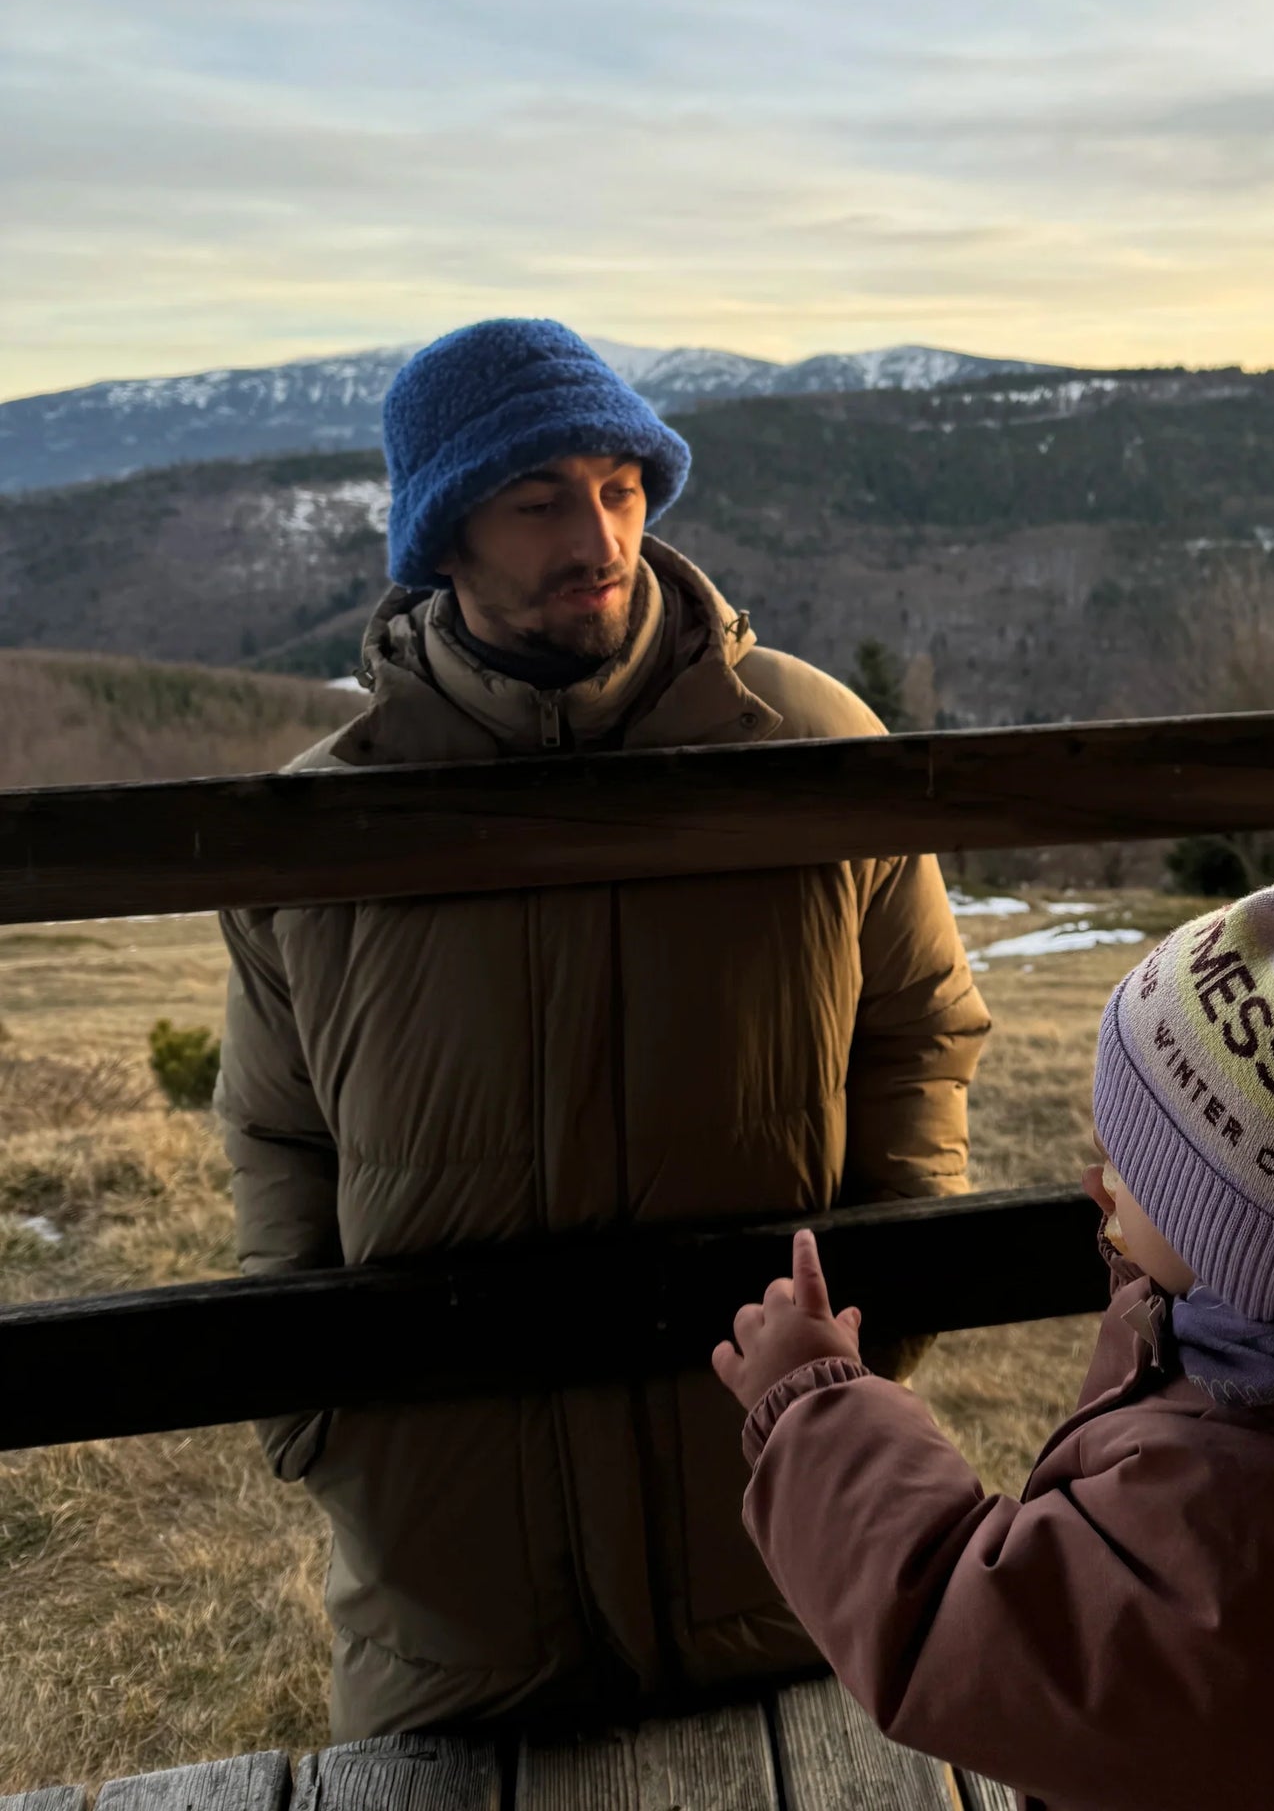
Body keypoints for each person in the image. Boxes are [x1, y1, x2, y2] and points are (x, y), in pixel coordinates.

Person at [216, 316, 990, 1741]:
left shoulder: (809, 752)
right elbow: (278, 1131)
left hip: (778, 1547)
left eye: (621, 487)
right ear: (444, 534)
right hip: (457, 1595)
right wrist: (321, 1417)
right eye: (538, 500)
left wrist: (886, 1320)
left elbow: (918, 1032)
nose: (599, 534)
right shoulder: (324, 819)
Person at [714, 796, 1274, 1811]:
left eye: (1130, 1161)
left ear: (1246, 1251)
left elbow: (951, 1619)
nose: (1094, 1179)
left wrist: (811, 1402)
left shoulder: (1226, 1533)